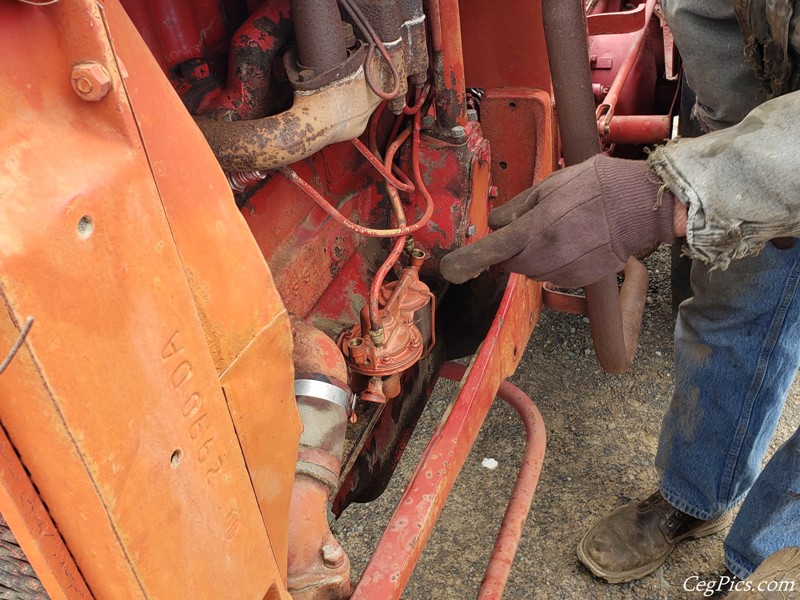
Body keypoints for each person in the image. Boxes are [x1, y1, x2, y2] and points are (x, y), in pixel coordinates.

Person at [440, 0, 800, 594]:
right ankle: (696, 495)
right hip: (762, 108)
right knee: (731, 305)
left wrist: (676, 195)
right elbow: (714, 20)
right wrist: (737, 170)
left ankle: (764, 566)